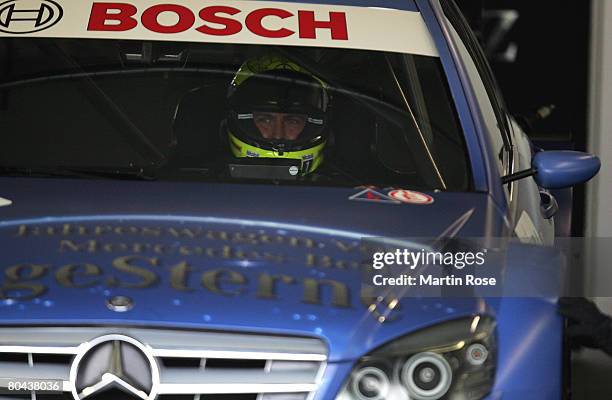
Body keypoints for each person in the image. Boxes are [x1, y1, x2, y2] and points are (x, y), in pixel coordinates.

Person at [225, 54, 331, 175]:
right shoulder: (204, 182)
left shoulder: (351, 189)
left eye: (293, 121)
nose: (278, 135)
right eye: (265, 120)